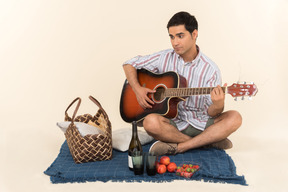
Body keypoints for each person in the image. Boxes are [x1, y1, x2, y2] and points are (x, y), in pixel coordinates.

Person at [122, 11, 242, 156]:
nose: (175, 42)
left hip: (202, 123)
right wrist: (137, 89)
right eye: (171, 37)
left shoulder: (211, 70)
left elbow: (211, 112)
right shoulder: (164, 57)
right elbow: (129, 64)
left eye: (180, 36)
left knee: (235, 118)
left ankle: (180, 147)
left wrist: (218, 105)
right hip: (173, 124)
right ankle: (205, 143)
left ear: (194, 34)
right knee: (149, 122)